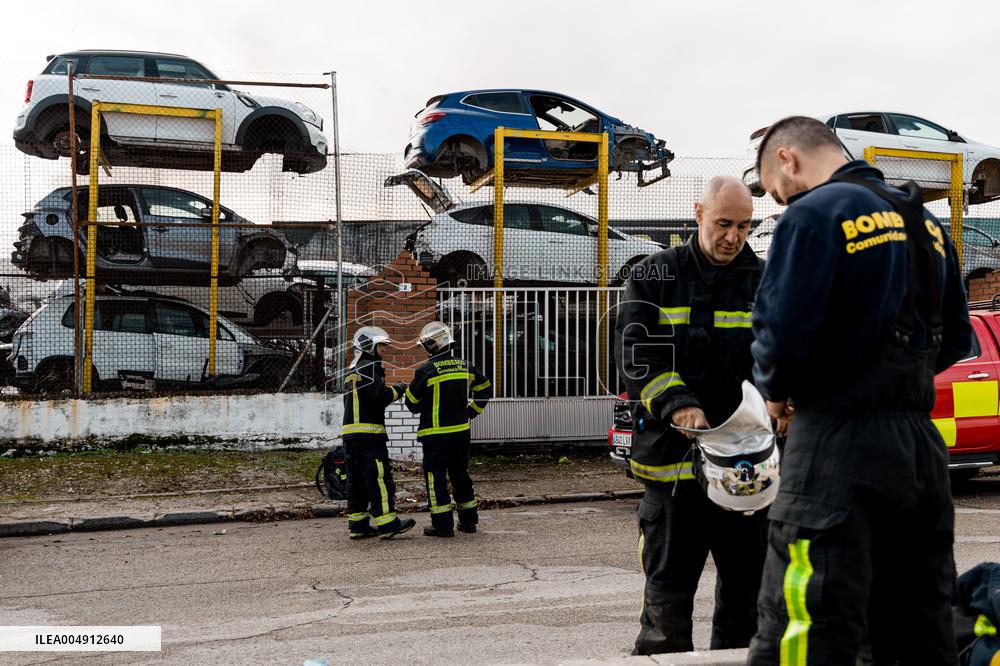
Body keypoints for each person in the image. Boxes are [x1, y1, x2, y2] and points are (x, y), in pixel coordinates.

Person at [747, 116, 973, 664]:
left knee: (808, 622)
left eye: (779, 193)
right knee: (917, 625)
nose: (783, 202)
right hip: (920, 453)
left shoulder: (815, 215)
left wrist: (776, 394)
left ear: (787, 160)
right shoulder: (928, 225)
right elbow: (957, 338)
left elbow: (781, 333)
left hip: (835, 445)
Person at [614, 175, 768, 654]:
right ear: (697, 213)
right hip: (673, 468)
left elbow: (784, 356)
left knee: (747, 604)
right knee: (666, 600)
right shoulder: (653, 275)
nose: (733, 237)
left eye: (744, 226)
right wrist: (680, 405)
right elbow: (638, 354)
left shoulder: (765, 281)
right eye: (724, 223)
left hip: (745, 470)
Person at [405, 321, 491, 537]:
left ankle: (442, 525)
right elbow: (484, 389)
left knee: (436, 481)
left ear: (432, 346)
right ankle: (469, 522)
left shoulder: (425, 371)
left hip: (435, 437)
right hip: (461, 434)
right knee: (461, 476)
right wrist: (471, 411)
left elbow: (412, 403)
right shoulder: (466, 366)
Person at [341, 326, 416, 540]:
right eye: (381, 345)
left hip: (350, 436)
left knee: (356, 481)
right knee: (379, 478)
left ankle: (358, 525)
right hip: (369, 437)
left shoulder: (353, 369)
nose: (384, 349)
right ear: (369, 346)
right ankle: (388, 523)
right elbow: (379, 397)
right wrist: (399, 389)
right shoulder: (370, 366)